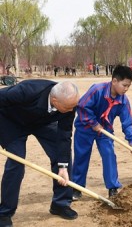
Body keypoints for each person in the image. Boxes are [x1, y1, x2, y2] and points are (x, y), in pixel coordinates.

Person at [0, 80, 80, 226]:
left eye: (72, 107)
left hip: (41, 122)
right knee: (16, 162)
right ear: (55, 100)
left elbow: (64, 134)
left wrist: (62, 167)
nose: (71, 111)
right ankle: (5, 212)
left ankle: (60, 204)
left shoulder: (69, 104)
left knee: (63, 155)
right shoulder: (28, 90)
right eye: (68, 107)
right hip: (12, 123)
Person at [71, 65, 132, 200]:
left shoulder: (123, 100)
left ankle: (113, 187)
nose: (126, 89)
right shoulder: (97, 90)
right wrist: (94, 124)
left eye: (128, 86)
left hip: (105, 130)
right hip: (85, 128)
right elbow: (82, 107)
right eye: (124, 85)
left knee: (109, 155)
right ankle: (77, 188)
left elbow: (127, 121)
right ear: (114, 81)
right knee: (81, 156)